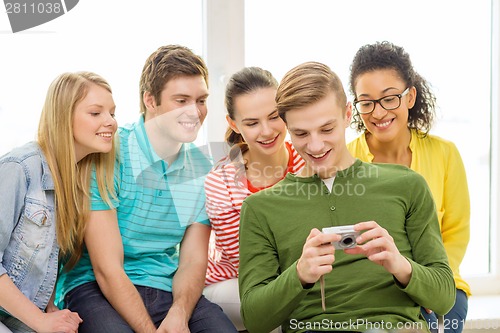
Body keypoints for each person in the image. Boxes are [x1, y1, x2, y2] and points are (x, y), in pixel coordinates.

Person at [238, 61, 456, 333]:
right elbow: (255, 321)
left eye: (327, 129)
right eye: (301, 133)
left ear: (346, 114)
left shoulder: (407, 185)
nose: (315, 146)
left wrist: (400, 265)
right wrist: (300, 274)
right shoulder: (260, 209)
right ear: (286, 127)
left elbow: (445, 298)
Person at [55, 45, 237, 333]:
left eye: (201, 100)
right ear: (150, 100)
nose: (195, 111)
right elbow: (107, 269)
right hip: (94, 288)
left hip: (165, 286)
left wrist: (179, 313)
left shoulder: (202, 169)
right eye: (181, 100)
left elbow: (192, 260)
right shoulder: (108, 153)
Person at [347, 41, 470, 333]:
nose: (378, 113)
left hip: (442, 286)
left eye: (389, 98)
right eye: (366, 102)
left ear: (410, 96)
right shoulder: (346, 161)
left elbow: (457, 232)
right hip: (377, 289)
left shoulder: (445, 154)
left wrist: (426, 283)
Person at [0, 71, 118, 332]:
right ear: (64, 117)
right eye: (96, 113)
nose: (111, 121)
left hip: (25, 316)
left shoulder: (78, 180)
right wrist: (40, 319)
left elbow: (48, 259)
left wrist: (49, 307)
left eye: (112, 112)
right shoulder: (20, 168)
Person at [203, 67, 305, 330]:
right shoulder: (220, 183)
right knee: (273, 305)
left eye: (274, 117)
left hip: (299, 274)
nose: (267, 131)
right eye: (251, 123)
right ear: (234, 124)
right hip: (231, 284)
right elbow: (249, 263)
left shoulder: (310, 162)